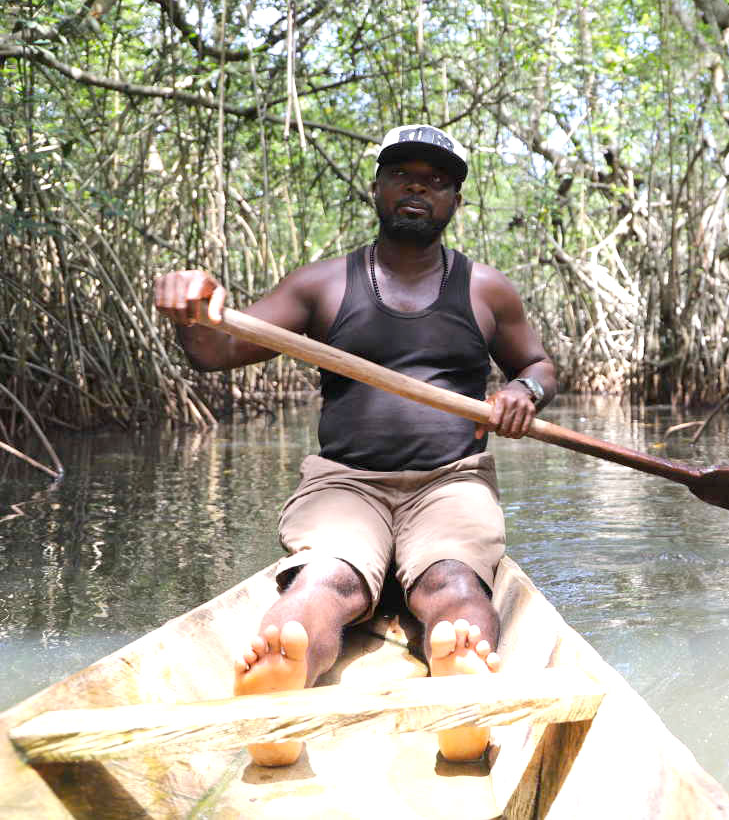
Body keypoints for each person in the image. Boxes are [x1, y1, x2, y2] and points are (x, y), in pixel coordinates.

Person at [154, 124, 556, 766]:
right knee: (326, 579)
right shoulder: (322, 285)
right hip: (345, 483)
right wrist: (192, 311)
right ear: (376, 188)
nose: (418, 188)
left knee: (451, 581)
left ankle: (461, 693)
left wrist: (525, 393)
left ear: (454, 201)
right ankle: (278, 697)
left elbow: (537, 363)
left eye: (437, 181)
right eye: (403, 175)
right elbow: (215, 350)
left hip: (450, 481)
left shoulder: (486, 290)